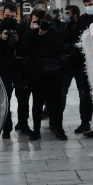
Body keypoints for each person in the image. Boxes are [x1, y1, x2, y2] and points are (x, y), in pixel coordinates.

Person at [20, 8, 67, 140]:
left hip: (54, 70)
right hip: (37, 71)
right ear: (31, 19)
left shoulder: (52, 28)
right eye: (36, 21)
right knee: (37, 102)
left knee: (56, 102)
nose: (39, 23)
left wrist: (46, 33)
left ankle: (59, 128)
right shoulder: (28, 29)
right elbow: (23, 48)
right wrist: (31, 30)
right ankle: (36, 129)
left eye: (41, 20)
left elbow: (60, 47)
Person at [0, 5, 25, 139]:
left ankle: (23, 124)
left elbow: (27, 47)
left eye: (12, 17)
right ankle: (6, 128)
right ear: (2, 15)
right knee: (5, 100)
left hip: (19, 69)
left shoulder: (21, 28)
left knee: (23, 99)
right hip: (3, 69)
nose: (9, 19)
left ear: (16, 16)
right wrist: (0, 38)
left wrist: (18, 40)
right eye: (7, 16)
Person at [71, 0, 93, 138]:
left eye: (90, 4)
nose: (88, 7)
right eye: (86, 5)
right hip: (85, 62)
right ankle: (85, 122)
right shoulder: (82, 19)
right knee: (85, 94)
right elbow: (75, 37)